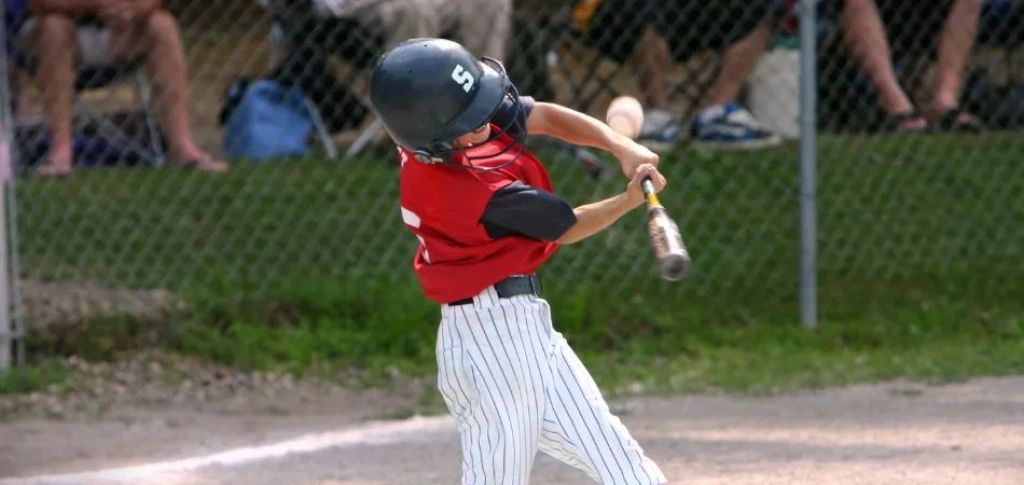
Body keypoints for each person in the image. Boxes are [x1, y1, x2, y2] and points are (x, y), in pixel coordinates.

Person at [368, 38, 669, 484]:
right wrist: (628, 200)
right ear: (434, 139)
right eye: (469, 123)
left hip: (523, 327)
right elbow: (567, 225)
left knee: (619, 461)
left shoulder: (440, 132)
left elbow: (542, 115)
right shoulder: (467, 192)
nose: (485, 124)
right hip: (490, 341)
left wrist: (618, 145)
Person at [15, 0, 228, 176]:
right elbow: (40, 3)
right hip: (59, 32)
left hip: (121, 32)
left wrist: (132, 8)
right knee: (54, 29)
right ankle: (60, 151)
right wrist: (98, 5)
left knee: (162, 25)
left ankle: (181, 146)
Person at [573, 0, 786, 151]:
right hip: (610, 12)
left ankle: (718, 113)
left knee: (766, 4)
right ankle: (660, 114)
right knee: (642, 5)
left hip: (689, 9)